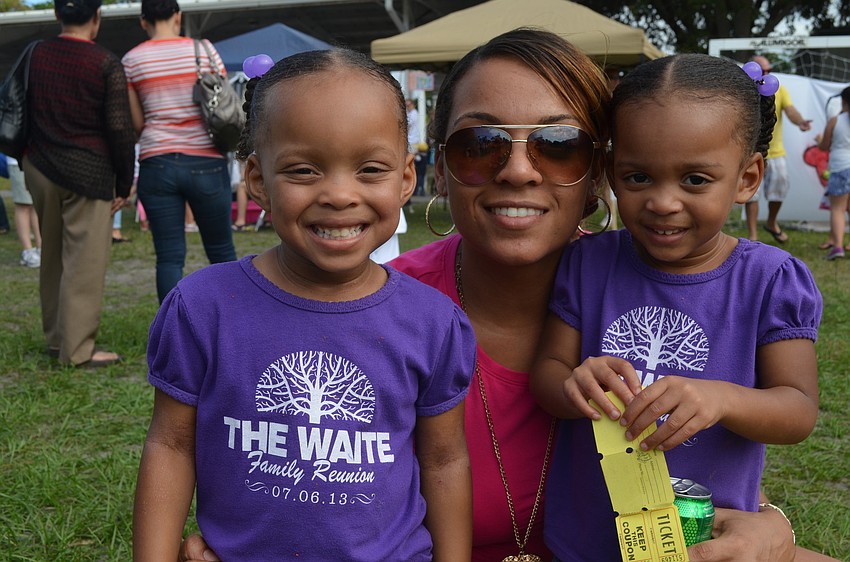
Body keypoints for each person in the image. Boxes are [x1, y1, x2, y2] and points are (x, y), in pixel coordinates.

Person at [179, 28, 813, 562]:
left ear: (600, 172)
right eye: (479, 144)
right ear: (433, 166)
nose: (517, 169)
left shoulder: (654, 297)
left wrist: (774, 526)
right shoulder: (365, 315)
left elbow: (735, 441)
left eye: (558, 146)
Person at [133, 47, 476, 562]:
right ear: (256, 181)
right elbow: (171, 446)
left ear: (406, 179)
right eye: (303, 170)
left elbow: (445, 462)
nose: (339, 194)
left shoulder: (433, 323)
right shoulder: (202, 307)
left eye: (369, 169)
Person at [531, 53, 823, 561]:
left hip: (709, 541)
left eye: (694, 180)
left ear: (748, 178)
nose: (663, 202)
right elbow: (548, 373)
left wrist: (722, 398)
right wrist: (572, 383)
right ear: (610, 171)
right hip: (587, 539)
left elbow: (797, 409)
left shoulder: (770, 279)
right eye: (638, 177)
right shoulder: (588, 263)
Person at [22, 0, 135, 367]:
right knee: (83, 262)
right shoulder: (104, 62)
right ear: (97, 17)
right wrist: (124, 182)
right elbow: (120, 128)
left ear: (57, 14)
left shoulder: (35, 53)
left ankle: (56, 340)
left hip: (39, 165)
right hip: (88, 171)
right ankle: (77, 351)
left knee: (51, 253)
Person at [121, 0, 237, 303]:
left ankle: (171, 332)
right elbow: (222, 102)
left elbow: (136, 122)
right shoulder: (204, 49)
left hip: (156, 162)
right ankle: (234, 324)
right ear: (178, 16)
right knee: (222, 251)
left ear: (143, 21)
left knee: (169, 257)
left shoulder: (132, 59)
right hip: (206, 161)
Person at [744, 55, 812, 243]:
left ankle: (771, 223)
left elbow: (791, 111)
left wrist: (801, 122)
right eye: (761, 71)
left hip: (775, 152)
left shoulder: (779, 89)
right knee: (751, 195)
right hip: (749, 152)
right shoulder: (742, 91)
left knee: (779, 191)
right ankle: (753, 236)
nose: (765, 75)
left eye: (768, 71)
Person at [816, 86, 850, 260]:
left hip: (840, 167)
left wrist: (818, 140)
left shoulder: (835, 121)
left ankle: (837, 247)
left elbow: (824, 146)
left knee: (838, 208)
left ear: (844, 102)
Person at [8, 157, 42, 267]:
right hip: (18, 161)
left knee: (35, 205)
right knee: (23, 205)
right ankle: (27, 251)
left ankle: (40, 247)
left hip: (37, 160)